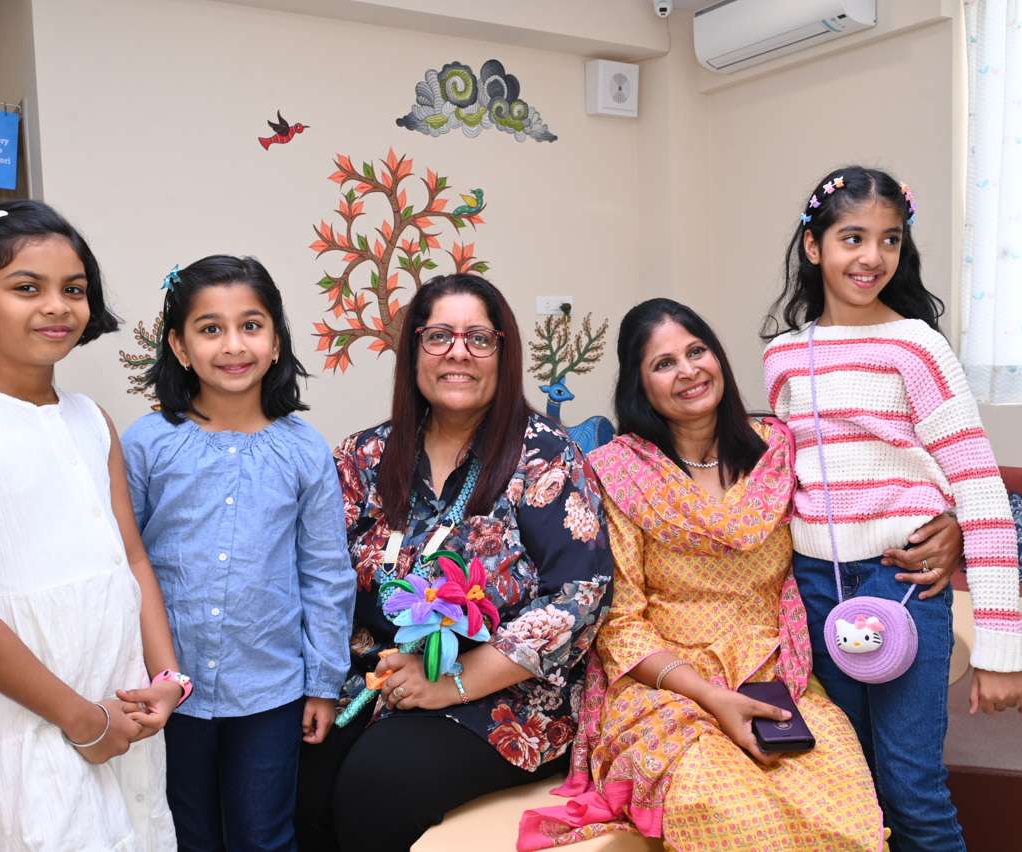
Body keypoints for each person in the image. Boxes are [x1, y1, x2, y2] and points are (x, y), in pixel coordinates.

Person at [522, 298, 896, 850]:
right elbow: (620, 622)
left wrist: (946, 528)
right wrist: (711, 697)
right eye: (664, 363)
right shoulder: (617, 472)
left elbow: (874, 488)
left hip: (777, 676)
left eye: (696, 351)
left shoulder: (778, 449)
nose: (688, 370)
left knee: (849, 815)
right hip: (666, 687)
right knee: (730, 813)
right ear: (639, 385)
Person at [296, 273, 614, 851]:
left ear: (503, 354)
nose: (458, 352)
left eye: (479, 339)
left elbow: (581, 596)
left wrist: (452, 682)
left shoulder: (544, 455)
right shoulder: (364, 456)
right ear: (414, 351)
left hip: (504, 696)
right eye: (439, 336)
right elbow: (317, 575)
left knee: (379, 783)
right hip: (372, 681)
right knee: (299, 771)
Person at [762, 166, 1022, 851]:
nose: (872, 256)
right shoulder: (784, 357)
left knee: (912, 790)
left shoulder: (917, 346)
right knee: (849, 787)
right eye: (852, 237)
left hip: (901, 582)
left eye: (890, 239)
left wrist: (1001, 650)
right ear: (814, 246)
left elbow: (980, 489)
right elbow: (781, 481)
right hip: (813, 588)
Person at [0, 200, 182, 850]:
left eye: (73, 289)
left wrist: (167, 678)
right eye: (27, 288)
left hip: (119, 696)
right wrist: (82, 721)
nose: (57, 306)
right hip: (30, 711)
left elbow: (131, 560)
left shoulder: (91, 418)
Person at [123, 255, 354, 851]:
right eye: (210, 328)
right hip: (167, 689)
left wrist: (323, 682)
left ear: (276, 341)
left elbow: (326, 574)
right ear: (180, 346)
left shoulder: (304, 451)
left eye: (251, 325)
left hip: (270, 691)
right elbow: (123, 563)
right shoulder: (147, 444)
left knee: (263, 835)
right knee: (183, 834)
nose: (233, 345)